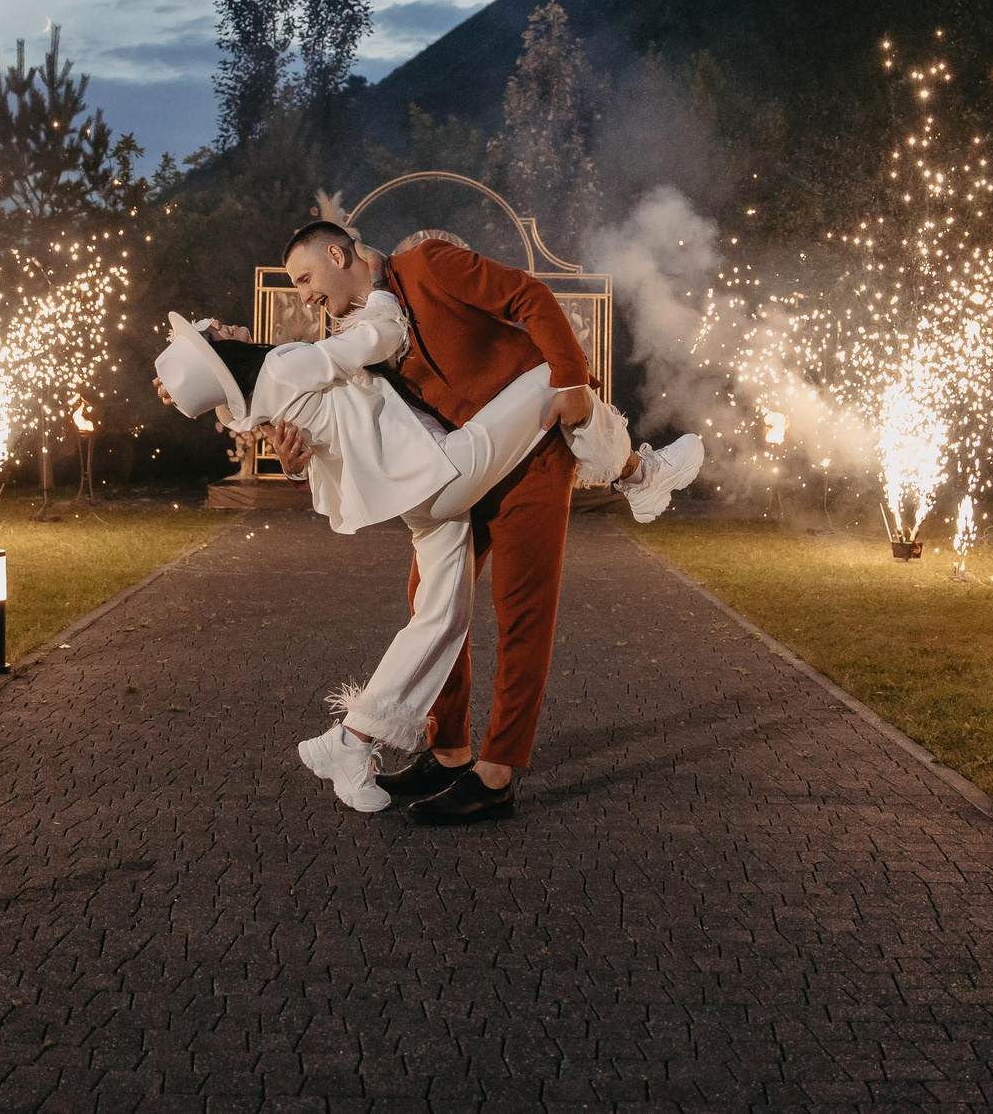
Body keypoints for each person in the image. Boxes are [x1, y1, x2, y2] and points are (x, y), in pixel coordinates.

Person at [153, 284, 698, 814]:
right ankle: (639, 473)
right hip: (440, 472)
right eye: (213, 334)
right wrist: (378, 279)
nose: (222, 325)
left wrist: (185, 384)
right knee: (551, 380)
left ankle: (351, 740)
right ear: (222, 353)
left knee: (440, 616)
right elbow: (385, 335)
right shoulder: (283, 367)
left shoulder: (253, 407)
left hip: (419, 495)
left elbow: (241, 409)